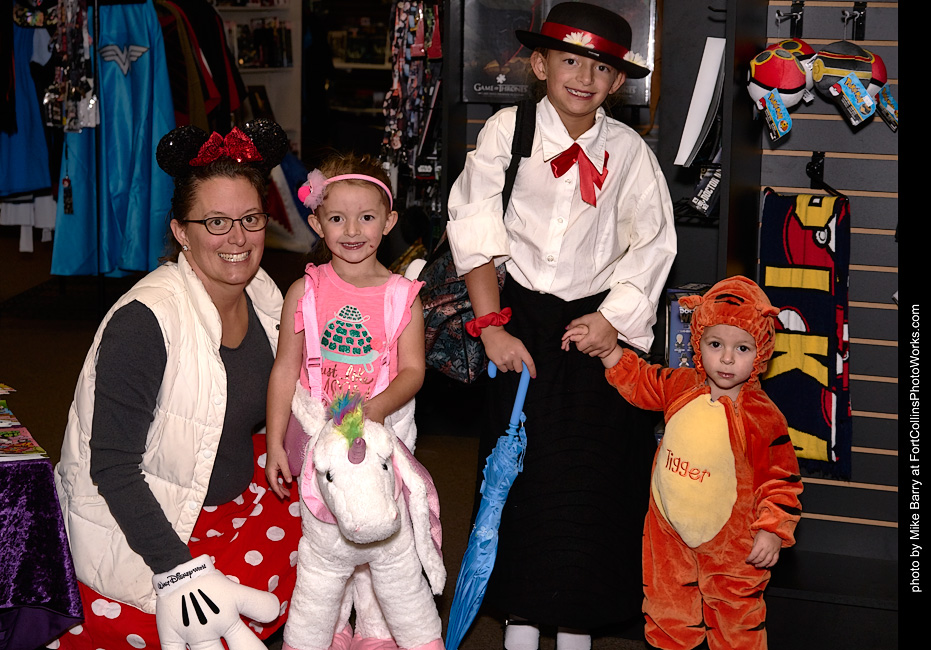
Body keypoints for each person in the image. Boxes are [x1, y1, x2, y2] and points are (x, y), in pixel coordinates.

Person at [446, 3, 676, 648]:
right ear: (541, 65)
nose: (584, 77)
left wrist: (613, 320)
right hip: (518, 319)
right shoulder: (507, 130)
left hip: (595, 330)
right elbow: (475, 226)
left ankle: (577, 628)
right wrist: (491, 326)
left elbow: (653, 244)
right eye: (570, 60)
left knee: (590, 482)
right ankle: (519, 626)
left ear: (617, 81)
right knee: (517, 476)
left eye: (600, 68)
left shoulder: (628, 152)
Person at [53, 120, 299, 648]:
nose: (238, 238)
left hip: (234, 500)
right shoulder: (145, 322)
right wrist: (178, 571)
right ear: (182, 232)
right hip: (152, 528)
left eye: (250, 218)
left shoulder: (263, 294)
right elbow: (112, 467)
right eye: (216, 222)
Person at [575, 275, 803, 650]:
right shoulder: (682, 385)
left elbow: (780, 480)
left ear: (761, 350)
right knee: (667, 609)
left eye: (742, 348)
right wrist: (609, 350)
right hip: (668, 530)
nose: (727, 358)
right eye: (716, 344)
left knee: (735, 619)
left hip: (732, 543)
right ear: (698, 340)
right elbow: (641, 381)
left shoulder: (763, 416)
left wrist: (772, 530)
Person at [263, 152, 426, 648]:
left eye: (367, 217)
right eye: (336, 218)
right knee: (323, 540)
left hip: (382, 435)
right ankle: (329, 627)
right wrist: (274, 444)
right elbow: (285, 369)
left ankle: (377, 630)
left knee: (384, 532)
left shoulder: (402, 295)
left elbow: (413, 371)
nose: (352, 230)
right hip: (318, 436)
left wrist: (371, 412)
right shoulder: (304, 291)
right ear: (316, 223)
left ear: (389, 221)